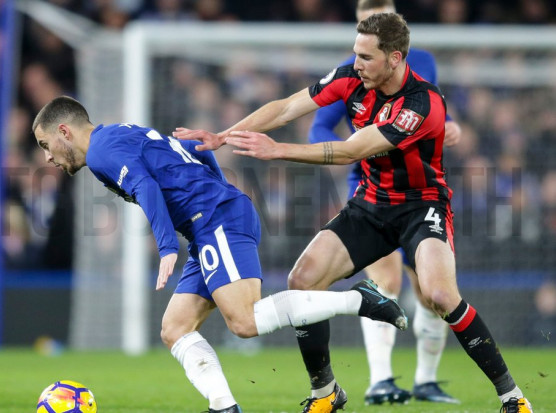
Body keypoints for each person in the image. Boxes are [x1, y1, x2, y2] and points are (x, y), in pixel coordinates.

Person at [173, 12, 533, 413]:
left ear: (394, 58)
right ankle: (325, 392)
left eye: (366, 57)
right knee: (302, 281)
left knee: (440, 295)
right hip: (371, 203)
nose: (356, 63)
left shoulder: (422, 103)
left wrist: (278, 150)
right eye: (355, 53)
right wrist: (224, 136)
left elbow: (350, 151)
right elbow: (287, 107)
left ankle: (513, 397)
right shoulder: (351, 77)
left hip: (422, 207)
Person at [32, 96, 408, 413]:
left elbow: (145, 186)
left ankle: (358, 299)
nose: (47, 157)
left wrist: (167, 246)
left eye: (46, 144)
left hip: (215, 219)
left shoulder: (100, 152)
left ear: (64, 131)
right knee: (175, 327)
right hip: (209, 223)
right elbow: (192, 148)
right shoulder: (118, 134)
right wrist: (217, 191)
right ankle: (224, 406)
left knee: (244, 322)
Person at [306, 0, 461, 405]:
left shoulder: (421, 62)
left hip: (419, 188)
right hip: (372, 186)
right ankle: (380, 380)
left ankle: (426, 380)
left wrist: (450, 126)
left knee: (430, 292)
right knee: (386, 281)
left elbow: (430, 106)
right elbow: (319, 126)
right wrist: (350, 150)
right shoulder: (352, 72)